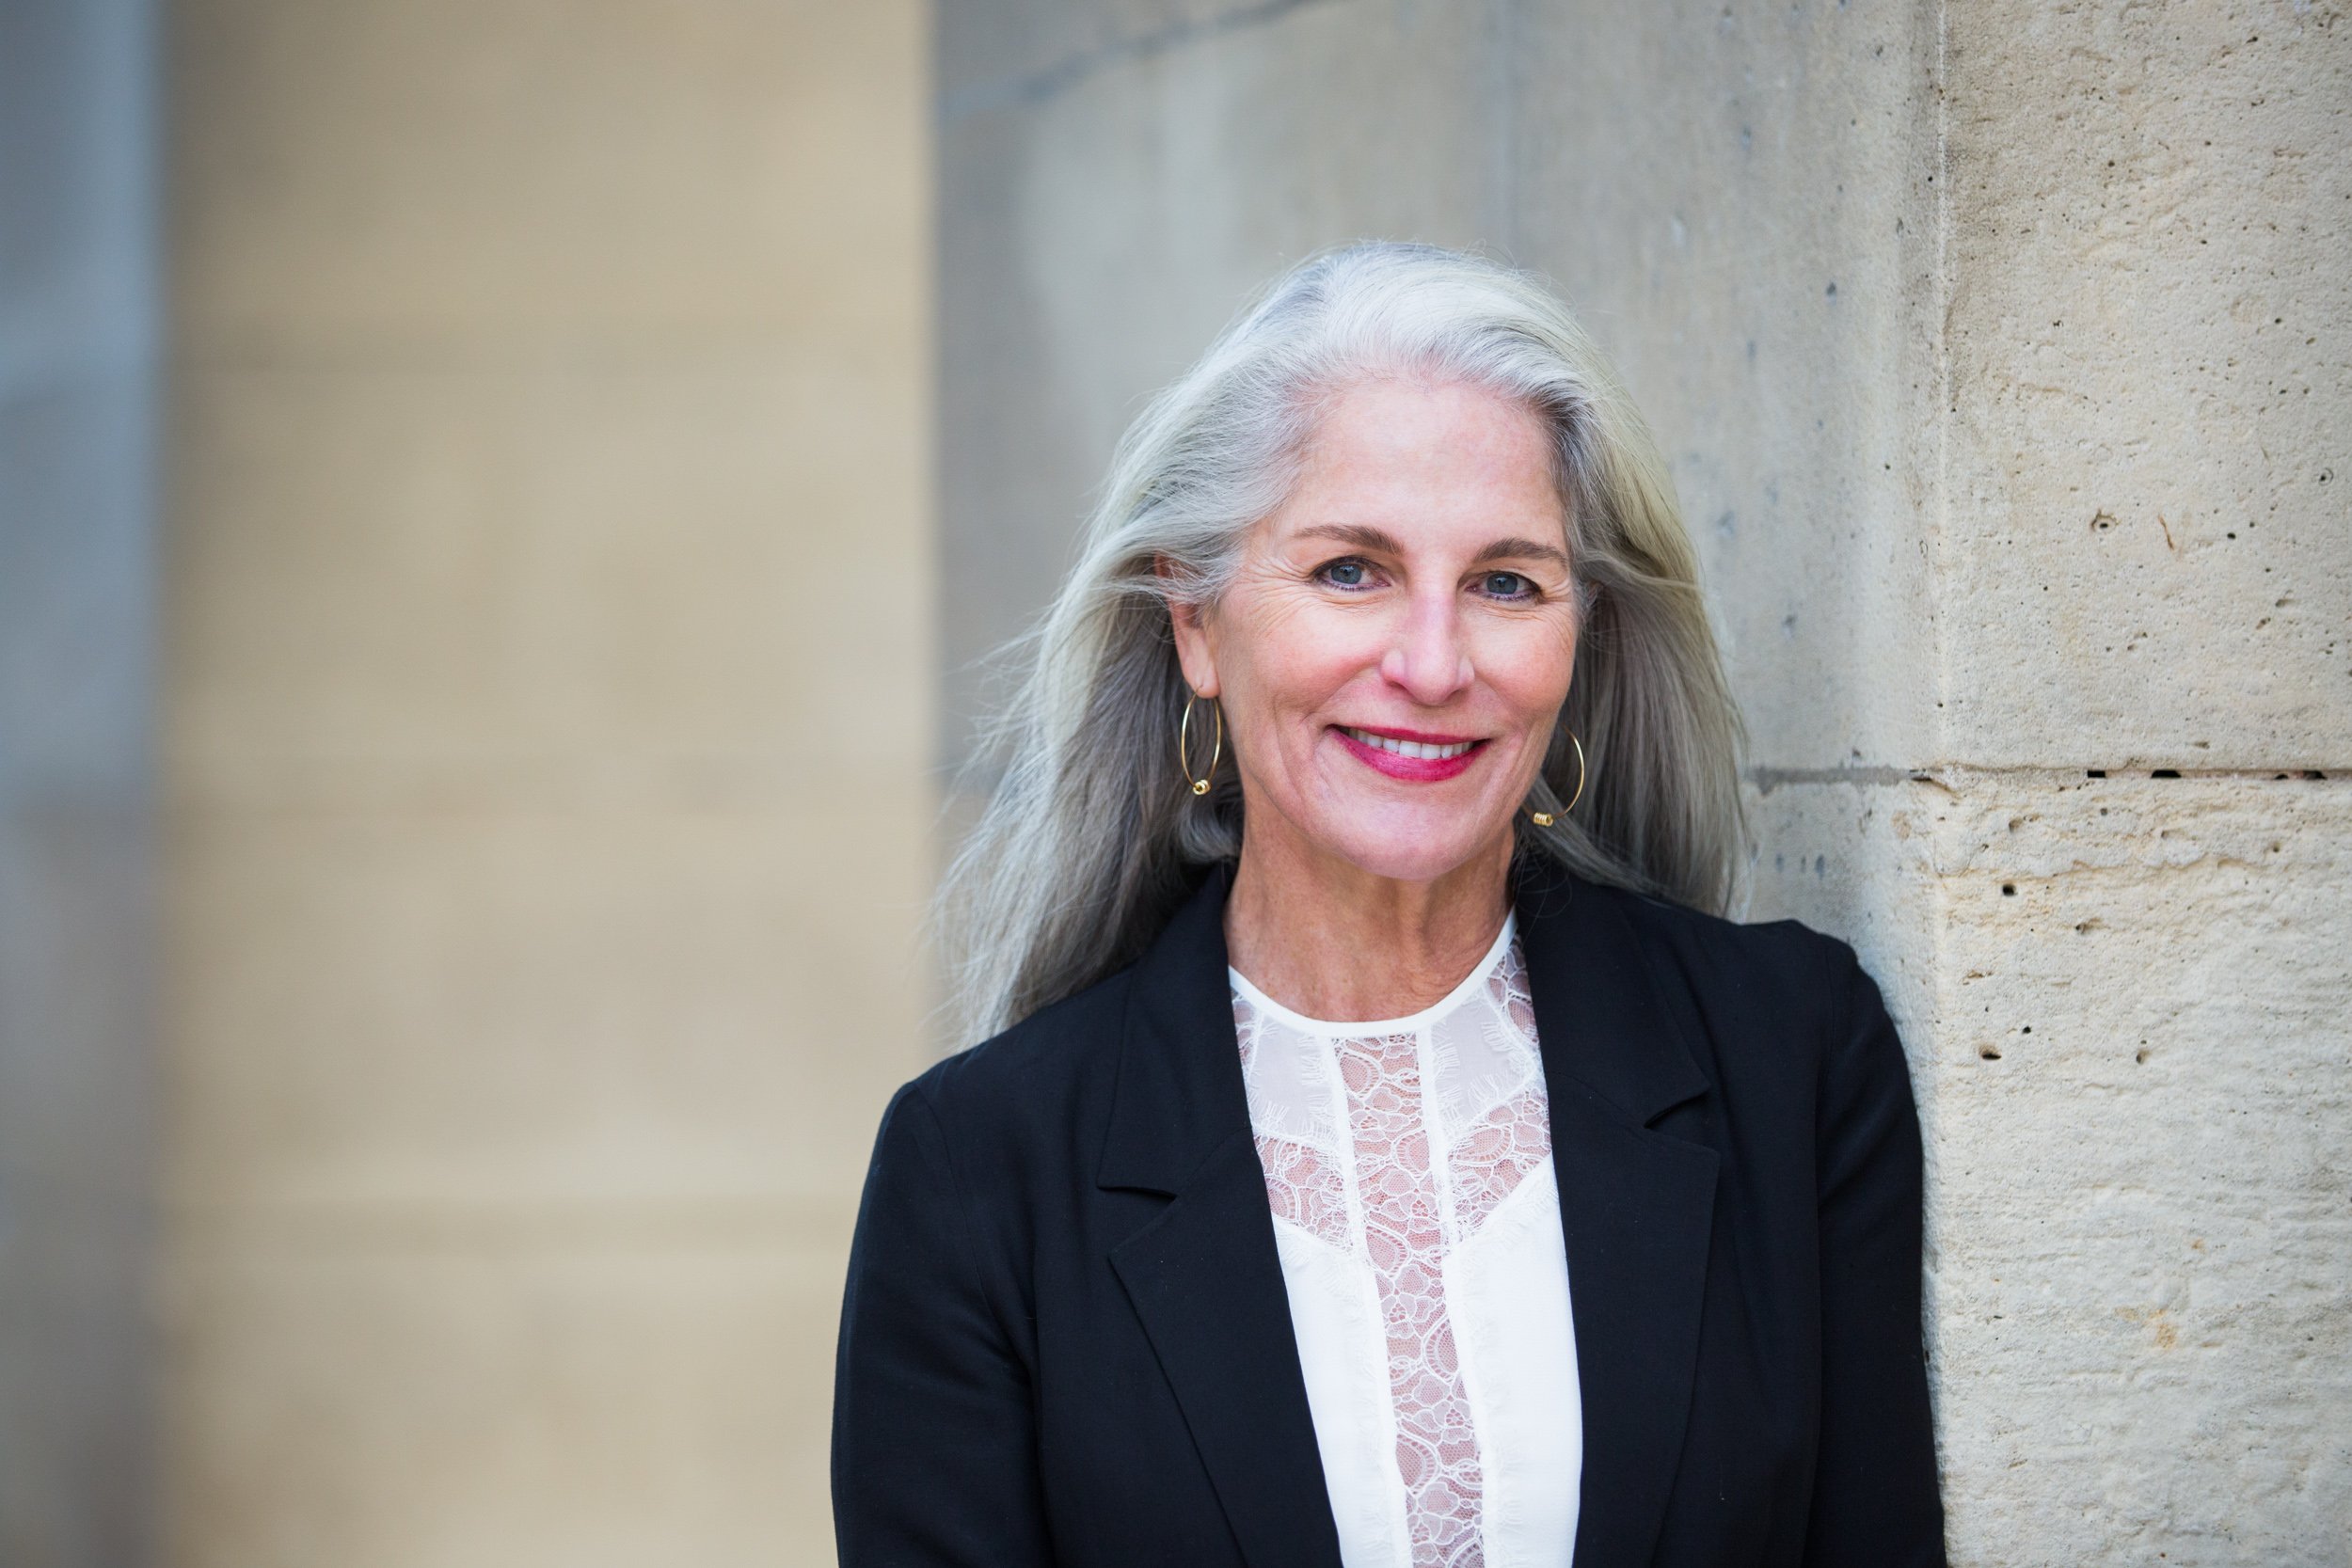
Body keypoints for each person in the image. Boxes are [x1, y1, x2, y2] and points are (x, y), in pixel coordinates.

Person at [832, 243, 1944, 1567]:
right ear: (1195, 622)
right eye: (1350, 569)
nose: (1431, 663)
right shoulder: (978, 1173)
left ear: (1577, 638)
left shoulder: (1792, 1057)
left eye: (1506, 582)